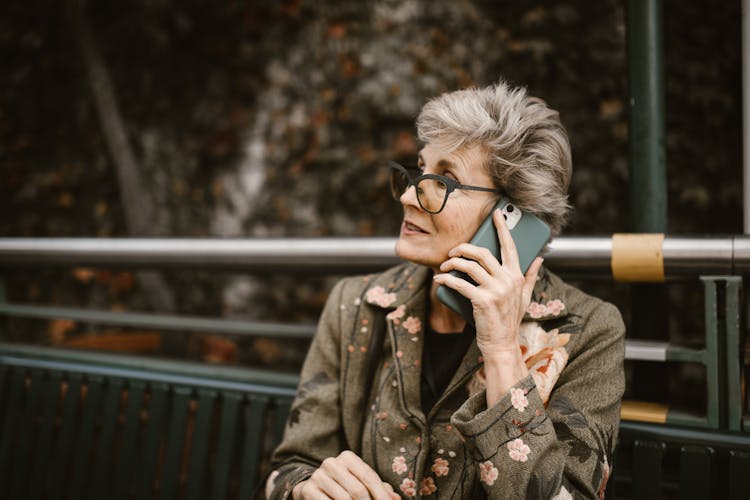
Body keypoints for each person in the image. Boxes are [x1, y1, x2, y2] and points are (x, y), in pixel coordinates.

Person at [265, 81, 625, 499]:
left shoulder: (586, 331)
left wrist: (504, 352)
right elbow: (285, 469)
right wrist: (304, 489)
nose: (407, 196)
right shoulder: (356, 305)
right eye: (419, 171)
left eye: (445, 182)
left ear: (513, 218)